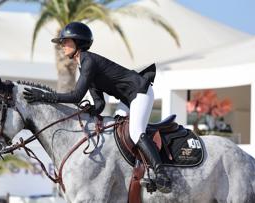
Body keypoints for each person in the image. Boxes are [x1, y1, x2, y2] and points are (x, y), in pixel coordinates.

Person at [23, 22, 171, 193]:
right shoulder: (84, 65)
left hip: (140, 92)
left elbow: (76, 96)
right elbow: (99, 103)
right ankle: (131, 172)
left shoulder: (89, 61)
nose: (62, 45)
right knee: (116, 131)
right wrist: (89, 111)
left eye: (66, 41)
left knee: (135, 132)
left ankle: (161, 174)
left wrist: (45, 96)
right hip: (127, 98)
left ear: (78, 42)